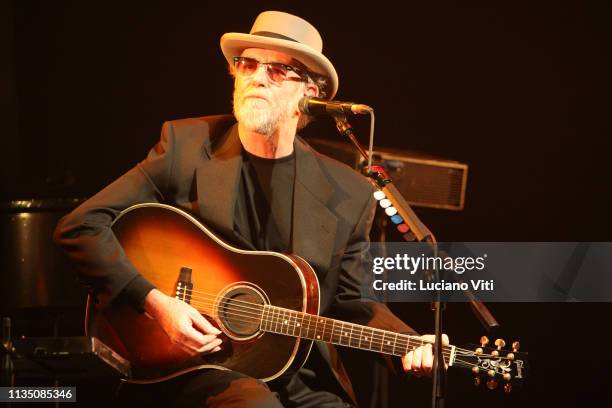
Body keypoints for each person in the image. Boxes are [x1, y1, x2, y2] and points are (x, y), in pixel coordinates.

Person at [54, 10, 448, 408]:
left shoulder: (348, 190)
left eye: (277, 70)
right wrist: (155, 302)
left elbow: (353, 301)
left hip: (298, 376)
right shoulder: (186, 146)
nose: (256, 77)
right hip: (199, 367)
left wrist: (410, 343)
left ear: (309, 95)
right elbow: (81, 226)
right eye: (247, 64)